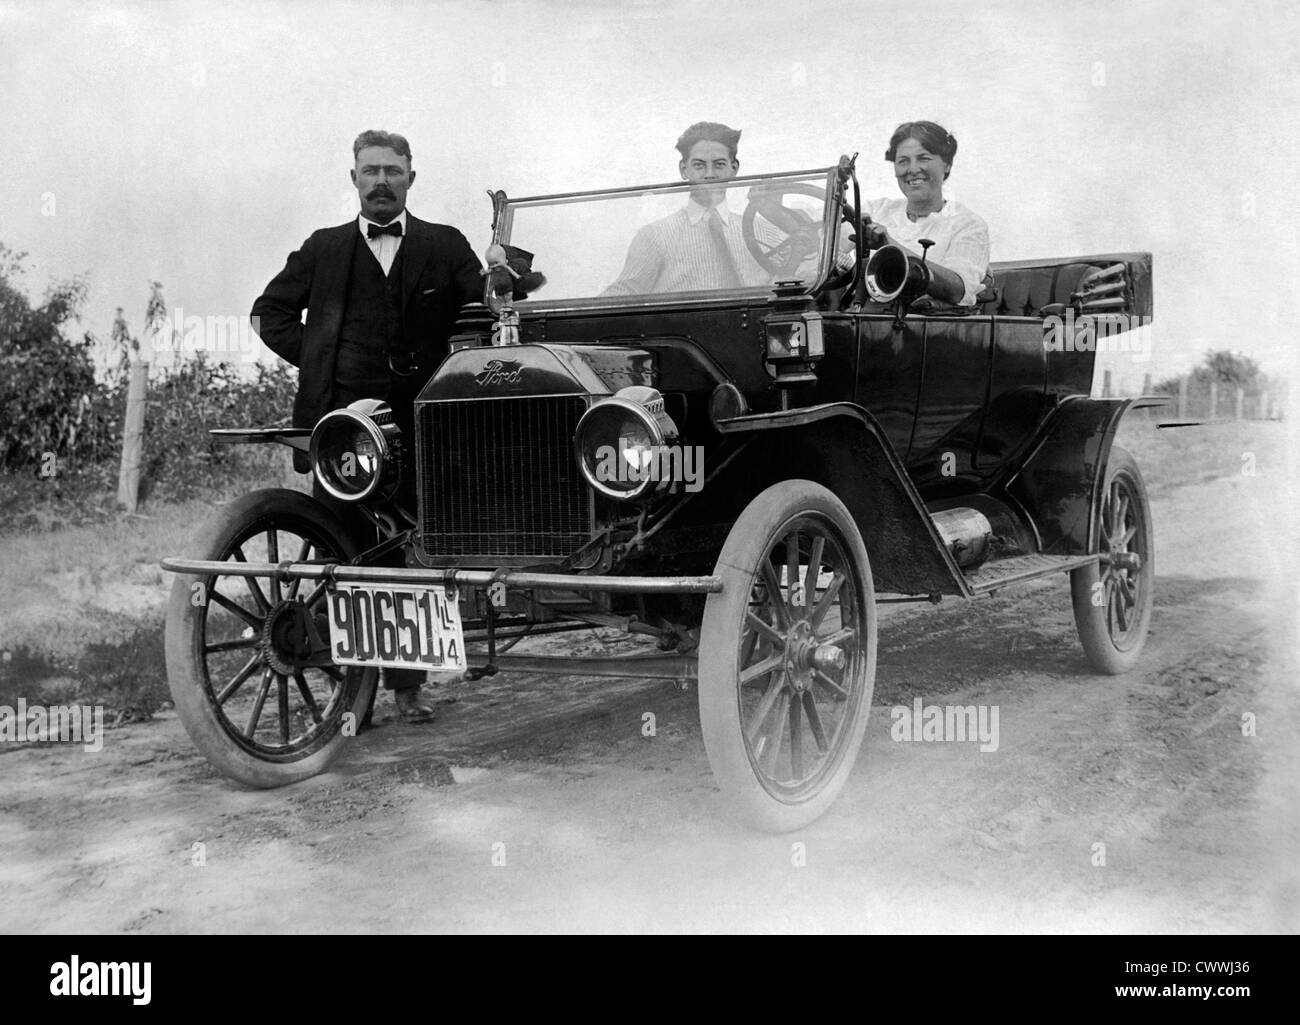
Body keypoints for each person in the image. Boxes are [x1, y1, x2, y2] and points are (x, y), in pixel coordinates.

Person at [251, 129, 484, 722]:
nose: (381, 181)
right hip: (341, 429)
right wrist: (319, 354)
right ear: (353, 178)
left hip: (425, 423)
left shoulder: (445, 244)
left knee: (410, 552)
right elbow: (267, 312)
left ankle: (409, 692)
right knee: (341, 549)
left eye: (393, 171)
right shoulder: (323, 248)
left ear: (411, 177)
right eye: (370, 171)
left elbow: (483, 311)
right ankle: (348, 695)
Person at [603, 121, 770, 295]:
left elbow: (797, 271)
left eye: (719, 164)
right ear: (684, 169)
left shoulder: (760, 231)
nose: (709, 174)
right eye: (699, 165)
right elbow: (626, 290)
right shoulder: (655, 236)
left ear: (734, 168)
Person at [858, 121, 990, 306]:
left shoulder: (968, 225)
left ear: (947, 165)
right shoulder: (877, 210)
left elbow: (959, 290)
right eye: (903, 161)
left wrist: (889, 245)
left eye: (923, 158)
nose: (912, 169)